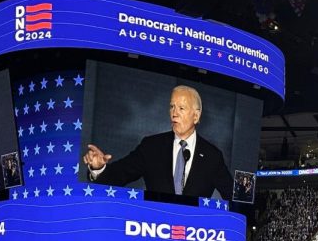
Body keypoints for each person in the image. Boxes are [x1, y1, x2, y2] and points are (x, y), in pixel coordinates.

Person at [82, 85, 233, 206]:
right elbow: (119, 174)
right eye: (172, 107)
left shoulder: (212, 156)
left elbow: (234, 197)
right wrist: (98, 168)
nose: (174, 113)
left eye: (181, 108)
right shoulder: (152, 147)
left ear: (196, 116)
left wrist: (246, 189)